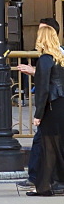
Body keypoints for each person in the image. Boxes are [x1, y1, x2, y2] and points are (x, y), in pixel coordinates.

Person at [17, 18, 63, 188]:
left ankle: (43, 180)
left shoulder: (46, 58)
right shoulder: (59, 56)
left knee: (50, 145)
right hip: (58, 104)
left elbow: (44, 87)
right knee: (50, 144)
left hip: (52, 104)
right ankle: (44, 179)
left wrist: (38, 114)